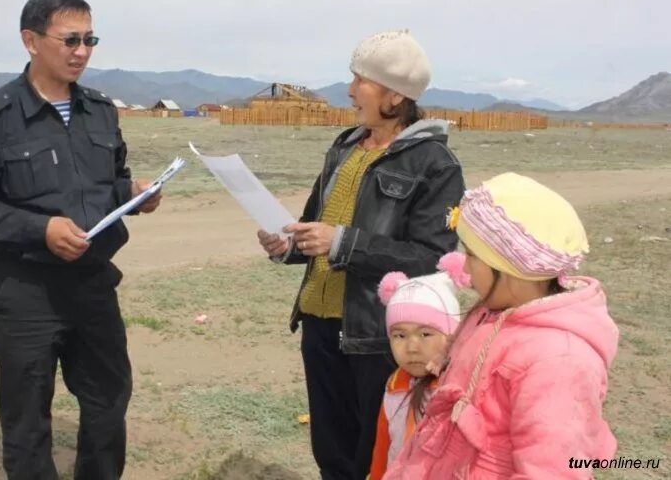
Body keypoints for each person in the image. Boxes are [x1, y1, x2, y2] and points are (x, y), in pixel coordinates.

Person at [0, 0, 161, 480]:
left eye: (90, 39)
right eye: (69, 40)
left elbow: (107, 181)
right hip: (25, 293)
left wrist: (135, 193)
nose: (81, 51)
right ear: (31, 40)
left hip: (93, 286)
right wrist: (39, 230)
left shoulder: (100, 111)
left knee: (108, 401)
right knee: (26, 422)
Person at [257, 30, 465, 480]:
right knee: (330, 450)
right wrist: (288, 245)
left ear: (394, 94)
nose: (350, 90)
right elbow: (317, 224)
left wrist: (342, 244)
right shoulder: (344, 146)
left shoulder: (434, 164)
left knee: (375, 454)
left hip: (378, 336)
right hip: (318, 324)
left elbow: (433, 257)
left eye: (361, 80)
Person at [385, 173, 619, 479]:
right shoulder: (492, 313)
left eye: (471, 255)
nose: (464, 267)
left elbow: (552, 470)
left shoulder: (558, 361)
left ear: (507, 264)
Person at [368, 266, 461, 480]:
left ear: (451, 336)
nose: (412, 347)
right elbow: (382, 449)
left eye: (425, 334)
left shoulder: (457, 389)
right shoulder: (394, 386)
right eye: (399, 335)